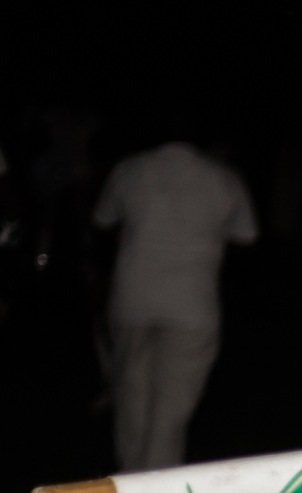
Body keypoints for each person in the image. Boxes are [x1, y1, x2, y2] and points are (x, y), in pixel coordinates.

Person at [92, 127, 257, 471]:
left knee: (130, 397)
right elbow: (247, 235)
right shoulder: (222, 178)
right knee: (171, 411)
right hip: (192, 304)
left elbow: (103, 220)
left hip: (132, 296)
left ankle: (130, 481)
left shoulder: (130, 169)